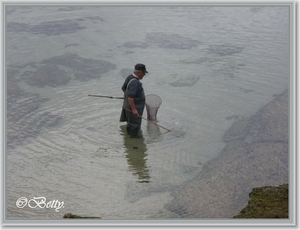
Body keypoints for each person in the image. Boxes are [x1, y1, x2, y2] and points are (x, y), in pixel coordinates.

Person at [120, 63, 148, 137]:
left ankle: (128, 138)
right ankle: (134, 142)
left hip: (126, 105)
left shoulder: (130, 77)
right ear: (139, 72)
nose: (144, 75)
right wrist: (134, 109)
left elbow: (123, 89)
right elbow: (130, 97)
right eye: (143, 73)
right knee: (134, 125)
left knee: (130, 123)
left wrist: (129, 98)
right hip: (133, 108)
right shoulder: (135, 82)